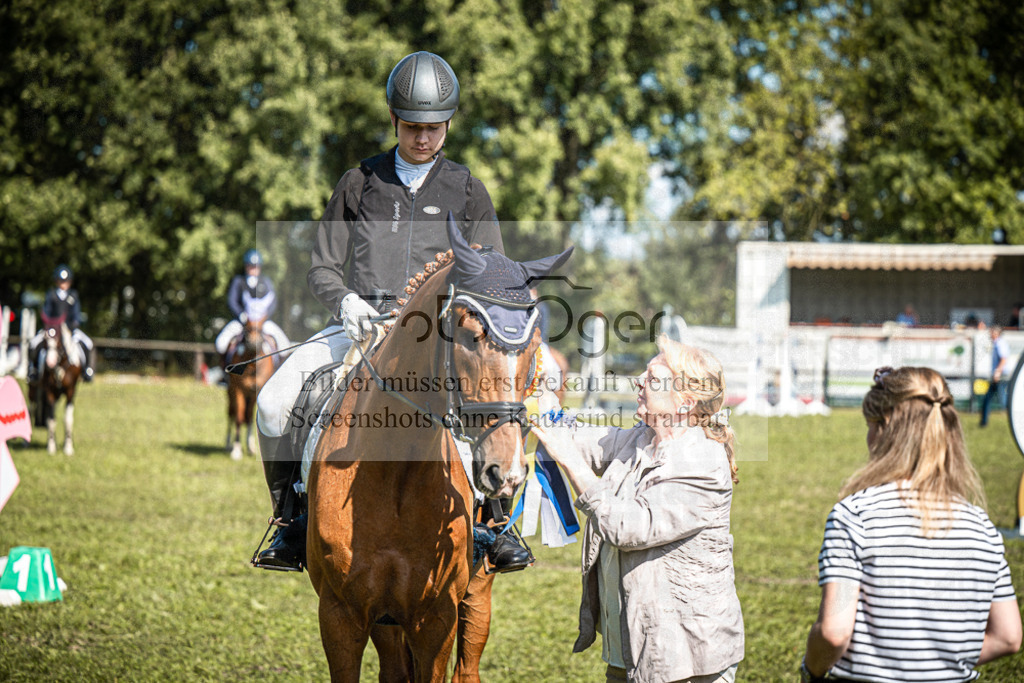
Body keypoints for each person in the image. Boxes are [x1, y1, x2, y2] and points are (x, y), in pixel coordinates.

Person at [253, 51, 531, 572]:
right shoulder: (359, 183)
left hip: (439, 337)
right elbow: (322, 268)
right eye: (411, 127)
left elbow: (492, 274)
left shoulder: (468, 190)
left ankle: (495, 525)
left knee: (491, 399)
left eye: (433, 128)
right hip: (358, 324)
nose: (422, 139)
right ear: (393, 121)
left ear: (447, 124)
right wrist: (345, 302)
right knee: (273, 402)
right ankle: (291, 523)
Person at [533, 337, 743, 683]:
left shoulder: (703, 462)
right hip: (631, 651)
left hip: (685, 660)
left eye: (652, 378)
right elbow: (571, 435)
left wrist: (570, 461)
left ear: (685, 402)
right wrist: (535, 392)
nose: (638, 382)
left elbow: (629, 528)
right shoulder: (641, 439)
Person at [801, 366, 1021, 682]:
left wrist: (811, 670)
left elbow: (835, 633)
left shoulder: (855, 517)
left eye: (870, 426)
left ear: (885, 428)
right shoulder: (984, 528)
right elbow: (1009, 637)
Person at [214, 249, 290, 368]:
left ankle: (277, 371)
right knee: (221, 343)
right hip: (242, 322)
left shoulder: (266, 282)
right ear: (246, 267)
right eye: (251, 266)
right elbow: (232, 301)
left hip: (262, 323)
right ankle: (225, 373)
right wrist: (241, 315)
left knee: (284, 345)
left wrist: (264, 317)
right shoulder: (239, 281)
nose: (253, 269)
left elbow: (273, 302)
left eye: (256, 267)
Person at [27, 265, 94, 382]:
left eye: (66, 281)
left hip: (69, 329)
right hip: (52, 329)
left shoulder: (73, 295)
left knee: (88, 343)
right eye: (61, 281)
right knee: (34, 343)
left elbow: (76, 314)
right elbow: (46, 312)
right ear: (56, 281)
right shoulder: (51, 294)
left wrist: (74, 325)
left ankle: (87, 370)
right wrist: (48, 324)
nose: (63, 284)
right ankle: (34, 369)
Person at [979, 325, 1009, 427]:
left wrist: (997, 372)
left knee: (1003, 400)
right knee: (988, 398)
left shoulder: (999, 344)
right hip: (998, 375)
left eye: (991, 332)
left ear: (996, 333)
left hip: (1000, 376)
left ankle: (1014, 418)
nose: (990, 334)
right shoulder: (997, 343)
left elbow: (1003, 359)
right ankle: (984, 421)